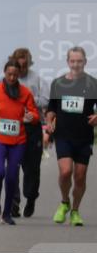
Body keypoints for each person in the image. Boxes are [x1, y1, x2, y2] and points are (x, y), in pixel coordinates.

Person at [0, 59, 39, 225]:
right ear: (4, 73)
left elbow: (35, 114)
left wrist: (31, 117)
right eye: (9, 74)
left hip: (18, 141)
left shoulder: (25, 93)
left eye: (15, 74)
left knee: (12, 177)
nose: (12, 77)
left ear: (19, 74)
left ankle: (7, 213)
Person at [47, 46, 97, 226]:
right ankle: (64, 202)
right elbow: (51, 108)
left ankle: (75, 210)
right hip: (63, 135)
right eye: (73, 61)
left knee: (80, 177)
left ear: (85, 62)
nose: (76, 64)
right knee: (66, 171)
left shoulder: (93, 84)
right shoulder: (58, 83)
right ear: (68, 62)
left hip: (84, 137)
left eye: (79, 61)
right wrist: (49, 121)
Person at [9, 48, 48, 217]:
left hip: (32, 127)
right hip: (13, 126)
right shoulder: (9, 78)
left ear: (29, 62)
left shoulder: (37, 79)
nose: (22, 67)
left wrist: (28, 98)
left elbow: (46, 99)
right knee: (12, 165)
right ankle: (14, 202)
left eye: (25, 63)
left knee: (31, 167)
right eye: (19, 63)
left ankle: (30, 197)